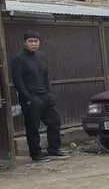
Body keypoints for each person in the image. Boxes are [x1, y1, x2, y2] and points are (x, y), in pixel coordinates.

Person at [11, 30, 68, 162]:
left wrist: (49, 93)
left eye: (36, 41)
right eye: (30, 41)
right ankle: (36, 154)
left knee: (55, 121)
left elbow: (45, 77)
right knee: (33, 127)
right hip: (30, 98)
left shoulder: (42, 56)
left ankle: (54, 150)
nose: (34, 44)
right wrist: (28, 99)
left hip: (45, 96)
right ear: (24, 43)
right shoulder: (18, 59)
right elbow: (17, 82)